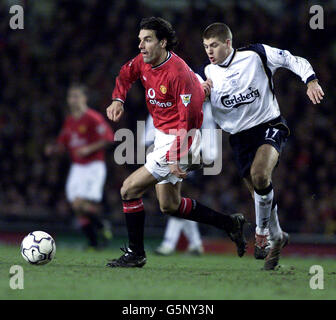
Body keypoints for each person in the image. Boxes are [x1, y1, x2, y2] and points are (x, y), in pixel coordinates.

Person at [105, 17, 246, 268]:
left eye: (147, 40)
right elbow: (125, 75)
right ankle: (230, 223)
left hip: (183, 137)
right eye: (140, 40)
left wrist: (174, 155)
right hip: (164, 135)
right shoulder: (145, 61)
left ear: (163, 42)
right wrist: (118, 99)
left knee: (129, 189)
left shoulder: (178, 74)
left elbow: (190, 122)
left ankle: (136, 253)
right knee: (169, 205)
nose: (141, 46)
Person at [201, 23, 325, 270]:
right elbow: (204, 104)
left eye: (214, 45)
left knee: (260, 174)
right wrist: (200, 95)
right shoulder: (208, 73)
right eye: (205, 47)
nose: (209, 51)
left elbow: (291, 59)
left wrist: (310, 80)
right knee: (259, 190)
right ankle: (277, 236)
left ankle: (261, 235)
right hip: (238, 138)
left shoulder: (256, 54)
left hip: (269, 124)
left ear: (228, 43)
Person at [45, 83, 115, 249]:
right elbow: (63, 143)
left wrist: (88, 149)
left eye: (77, 96)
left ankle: (102, 226)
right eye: (71, 96)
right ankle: (94, 242)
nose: (73, 100)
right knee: (76, 208)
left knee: (79, 204)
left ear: (84, 98)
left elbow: (109, 137)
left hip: (93, 166)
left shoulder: (93, 117)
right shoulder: (69, 121)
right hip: (77, 168)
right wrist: (53, 149)